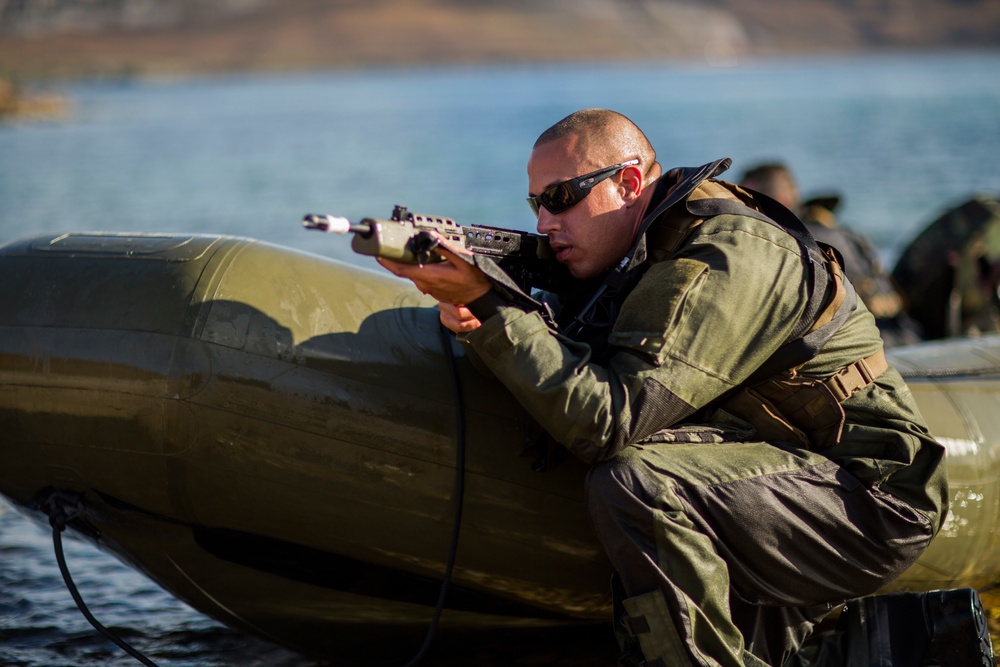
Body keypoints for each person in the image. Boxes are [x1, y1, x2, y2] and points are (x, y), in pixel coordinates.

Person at [378, 109, 948, 667]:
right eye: (536, 203)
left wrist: (496, 309)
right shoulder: (635, 257)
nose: (544, 224)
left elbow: (607, 421)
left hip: (872, 497)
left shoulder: (726, 254)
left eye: (559, 199)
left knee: (633, 482)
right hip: (770, 472)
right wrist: (484, 318)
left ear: (628, 182)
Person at [738, 162, 923, 348]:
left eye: (749, 205)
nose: (742, 215)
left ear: (781, 202)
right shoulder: (842, 232)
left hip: (872, 346)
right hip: (906, 335)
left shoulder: (792, 245)